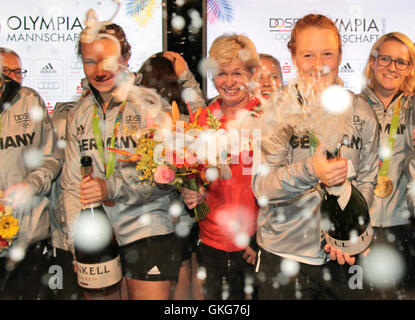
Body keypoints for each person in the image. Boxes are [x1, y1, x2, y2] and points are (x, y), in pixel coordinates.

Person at [252, 14, 379, 299]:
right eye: (308, 55)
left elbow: (368, 182)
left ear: (340, 56)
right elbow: (263, 188)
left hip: (344, 259)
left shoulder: (362, 112)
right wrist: (311, 170)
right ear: (294, 58)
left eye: (327, 54)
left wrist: (347, 232)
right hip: (285, 257)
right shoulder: (275, 111)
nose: (318, 64)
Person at [60, 22, 181, 300]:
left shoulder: (150, 106)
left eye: (108, 59)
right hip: (97, 237)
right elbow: (70, 185)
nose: (99, 70)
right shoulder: (78, 114)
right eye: (91, 61)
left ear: (126, 58)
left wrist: (110, 187)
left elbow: (166, 176)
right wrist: (76, 242)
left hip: (146, 229)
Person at [181, 33, 260, 300]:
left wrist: (260, 237)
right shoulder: (201, 119)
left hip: (257, 246)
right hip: (212, 244)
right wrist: (190, 190)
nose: (228, 82)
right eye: (220, 73)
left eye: (237, 73)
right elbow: (192, 173)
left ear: (251, 73)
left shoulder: (267, 117)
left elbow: (283, 184)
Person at [138, 51, 206, 299]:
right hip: (180, 211)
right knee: (185, 265)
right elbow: (203, 119)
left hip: (153, 215)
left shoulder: (145, 120)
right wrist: (187, 76)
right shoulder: (185, 120)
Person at [0, 50, 61, 299]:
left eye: (18, 72)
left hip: (29, 235)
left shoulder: (30, 100)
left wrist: (31, 184)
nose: (15, 79)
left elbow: (52, 159)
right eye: (7, 73)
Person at [360, 32, 415, 299]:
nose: (392, 67)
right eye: (385, 59)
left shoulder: (413, 108)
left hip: (403, 226)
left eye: (401, 62)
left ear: (409, 68)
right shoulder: (352, 107)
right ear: (373, 62)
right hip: (360, 228)